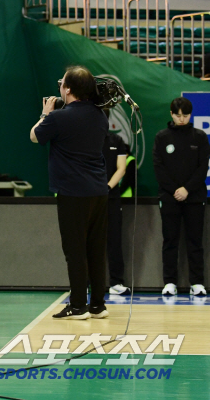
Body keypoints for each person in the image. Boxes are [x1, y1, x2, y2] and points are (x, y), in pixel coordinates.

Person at [30, 66, 109, 320]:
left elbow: (34, 137)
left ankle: (78, 306)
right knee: (95, 250)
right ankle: (98, 305)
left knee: (75, 251)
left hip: (73, 193)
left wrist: (44, 114)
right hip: (98, 191)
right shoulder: (100, 116)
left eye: (62, 84)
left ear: (69, 89)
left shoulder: (58, 117)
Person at [153, 97, 210, 296]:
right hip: (169, 198)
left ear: (190, 115)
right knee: (170, 240)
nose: (182, 119)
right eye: (178, 115)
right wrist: (175, 190)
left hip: (195, 197)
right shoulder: (162, 137)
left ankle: (197, 283)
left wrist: (187, 189)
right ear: (171, 114)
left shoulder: (200, 137)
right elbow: (159, 168)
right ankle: (170, 282)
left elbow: (203, 167)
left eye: (185, 115)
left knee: (195, 241)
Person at [102, 110, 130, 296]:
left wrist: (107, 187)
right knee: (87, 242)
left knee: (114, 240)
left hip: (110, 198)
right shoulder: (84, 141)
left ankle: (116, 282)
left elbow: (121, 168)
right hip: (88, 197)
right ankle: (85, 283)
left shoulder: (116, 142)